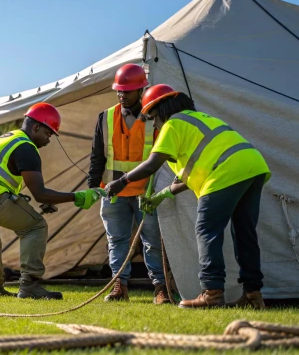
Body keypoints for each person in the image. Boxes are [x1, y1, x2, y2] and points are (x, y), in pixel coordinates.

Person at [104, 84, 271, 309]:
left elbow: (152, 164)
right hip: (254, 166)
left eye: (154, 117)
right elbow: (185, 179)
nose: (155, 124)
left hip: (225, 172)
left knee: (206, 230)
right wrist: (161, 195)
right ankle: (253, 294)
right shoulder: (200, 120)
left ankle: (212, 293)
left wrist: (121, 181)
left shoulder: (173, 124)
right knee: (244, 233)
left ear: (163, 110)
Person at [0, 103, 106, 300]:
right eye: (48, 134)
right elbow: (40, 194)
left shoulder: (10, 138)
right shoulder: (26, 148)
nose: (48, 140)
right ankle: (30, 286)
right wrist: (76, 197)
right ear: (36, 127)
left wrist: (43, 198)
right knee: (35, 227)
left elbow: (7, 179)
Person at [89, 64, 168, 304]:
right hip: (113, 192)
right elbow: (97, 156)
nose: (122, 95)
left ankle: (160, 288)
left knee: (153, 241)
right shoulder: (105, 117)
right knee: (116, 241)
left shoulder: (154, 117)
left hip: (146, 193)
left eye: (127, 91)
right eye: (119, 91)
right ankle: (118, 286)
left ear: (141, 90)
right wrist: (93, 186)